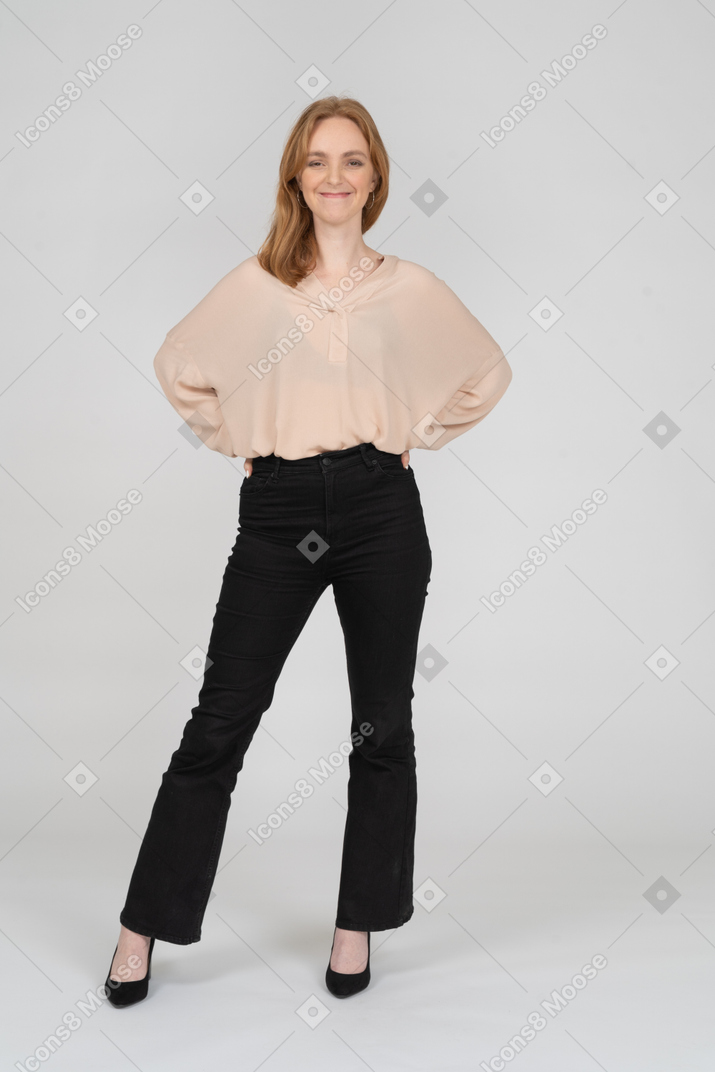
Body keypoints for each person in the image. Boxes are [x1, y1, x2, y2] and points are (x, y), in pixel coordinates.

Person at [104, 95, 513, 1007]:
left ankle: (355, 922)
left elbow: (487, 370)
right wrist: (236, 432)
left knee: (381, 727)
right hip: (282, 510)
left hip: (379, 511)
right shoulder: (257, 284)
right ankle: (141, 928)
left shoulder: (406, 286)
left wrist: (420, 431)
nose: (336, 176)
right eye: (319, 160)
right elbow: (180, 364)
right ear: (295, 174)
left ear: (375, 179)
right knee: (219, 724)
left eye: (353, 161)